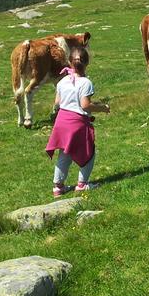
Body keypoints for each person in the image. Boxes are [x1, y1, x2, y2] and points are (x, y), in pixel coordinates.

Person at [45, 47, 110, 196]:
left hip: (62, 120)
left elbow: (57, 102)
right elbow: (85, 105)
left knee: (64, 153)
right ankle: (82, 184)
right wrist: (103, 107)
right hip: (76, 122)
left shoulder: (62, 81)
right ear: (87, 63)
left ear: (69, 62)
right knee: (89, 152)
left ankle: (58, 187)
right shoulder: (85, 82)